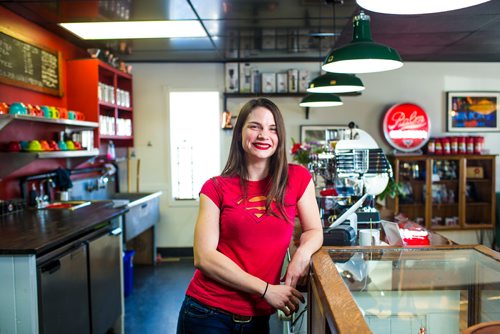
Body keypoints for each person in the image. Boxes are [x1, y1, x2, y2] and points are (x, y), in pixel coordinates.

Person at [177, 98, 323, 334]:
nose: (264, 135)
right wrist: (267, 289)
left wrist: (302, 255)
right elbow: (203, 257)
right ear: (240, 133)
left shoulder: (297, 179)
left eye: (272, 128)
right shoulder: (215, 188)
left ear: (280, 136)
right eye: (255, 126)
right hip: (207, 312)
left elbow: (314, 230)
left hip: (257, 317)